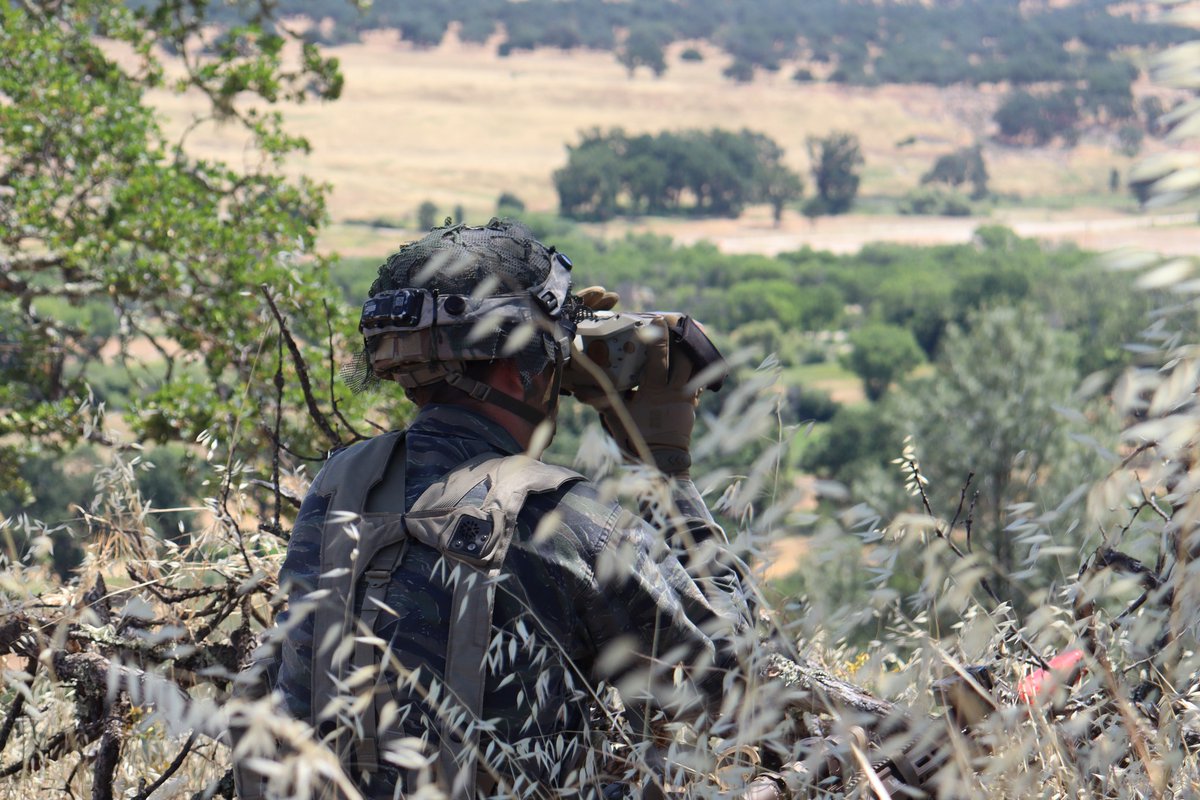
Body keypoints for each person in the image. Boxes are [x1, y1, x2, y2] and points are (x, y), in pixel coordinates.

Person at [234, 219, 752, 800]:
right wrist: (663, 465)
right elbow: (740, 677)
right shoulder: (569, 517)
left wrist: (546, 339)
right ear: (516, 363)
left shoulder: (340, 486)